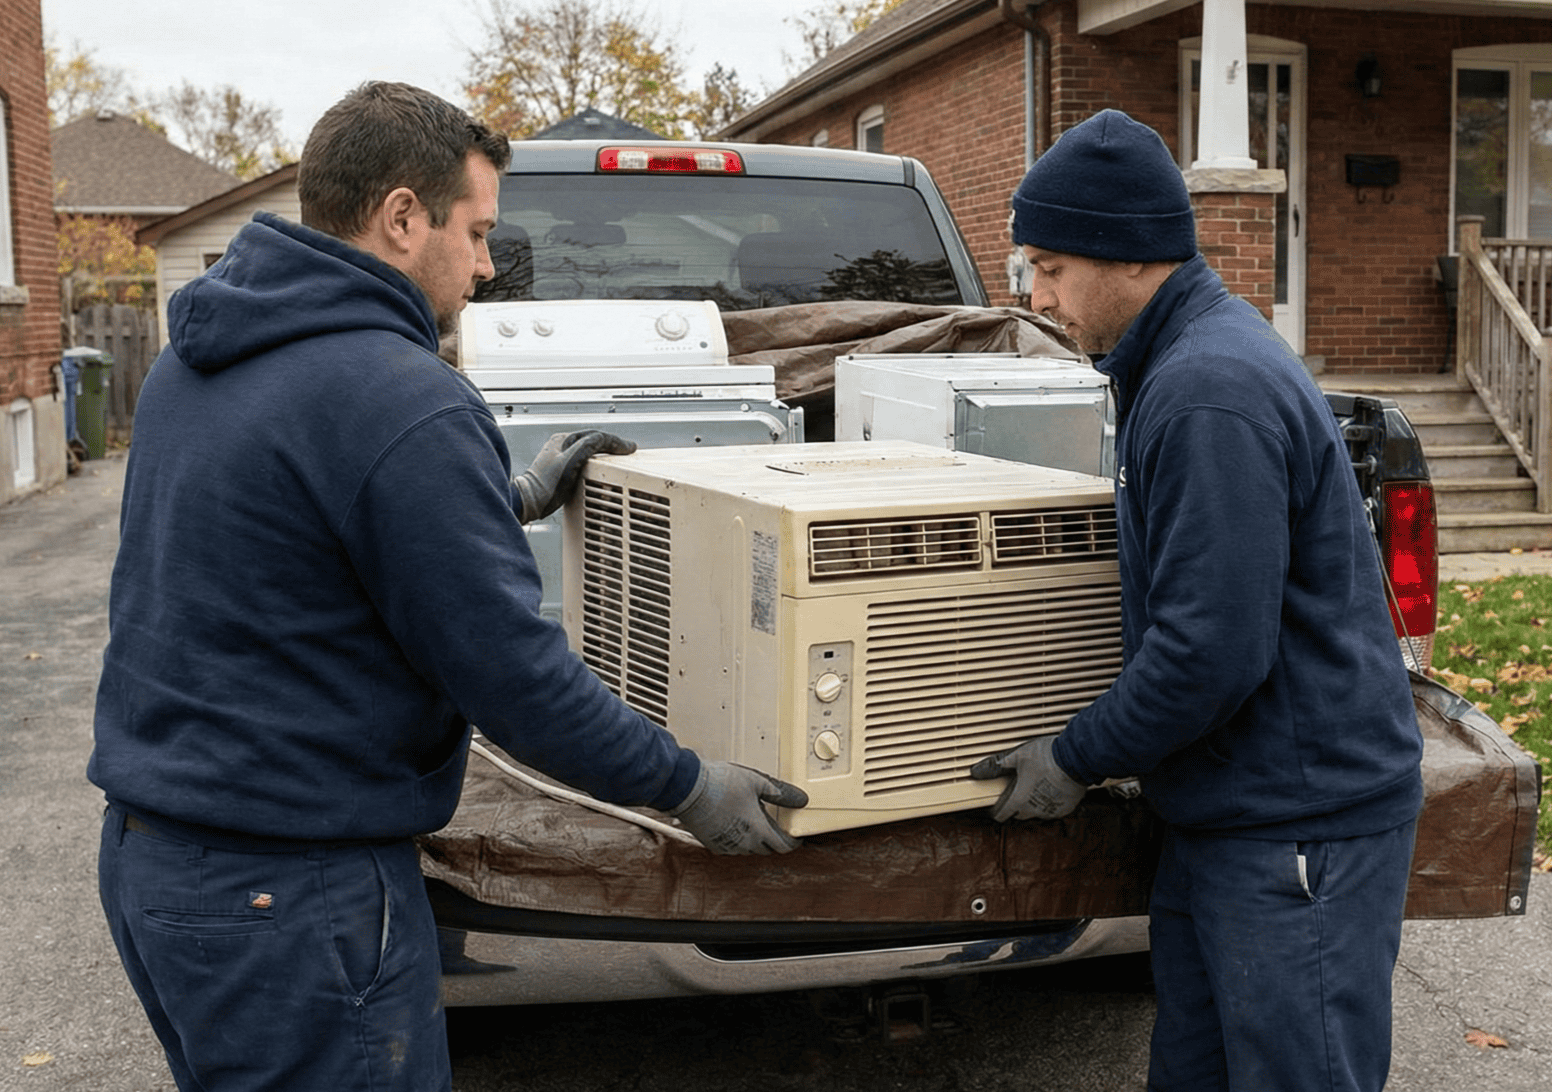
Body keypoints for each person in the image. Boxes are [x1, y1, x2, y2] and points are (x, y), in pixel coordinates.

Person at [88, 81, 806, 1092]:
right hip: (292, 892)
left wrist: (503, 497)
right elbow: (513, 680)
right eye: (476, 233)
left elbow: (283, 539)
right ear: (399, 216)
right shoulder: (402, 400)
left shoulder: (200, 356)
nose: (483, 267)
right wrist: (686, 785)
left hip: (158, 863)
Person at [972, 108, 1423, 1092]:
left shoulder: (1205, 390)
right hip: (1229, 814)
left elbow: (1209, 649)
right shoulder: (1173, 363)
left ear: (1127, 256)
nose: (1036, 296)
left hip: (1296, 825)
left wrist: (1073, 756)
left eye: (1048, 267)